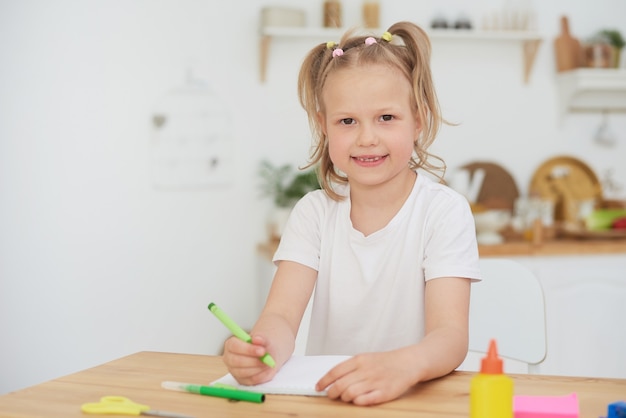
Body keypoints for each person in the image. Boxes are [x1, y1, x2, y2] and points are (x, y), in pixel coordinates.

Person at [222, 21, 480, 406]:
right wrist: (259, 350)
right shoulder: (313, 213)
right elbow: (280, 317)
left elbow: (450, 336)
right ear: (324, 127)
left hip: (412, 399)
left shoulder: (444, 212)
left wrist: (401, 366)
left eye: (386, 118)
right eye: (347, 121)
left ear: (419, 119)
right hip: (332, 400)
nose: (366, 138)